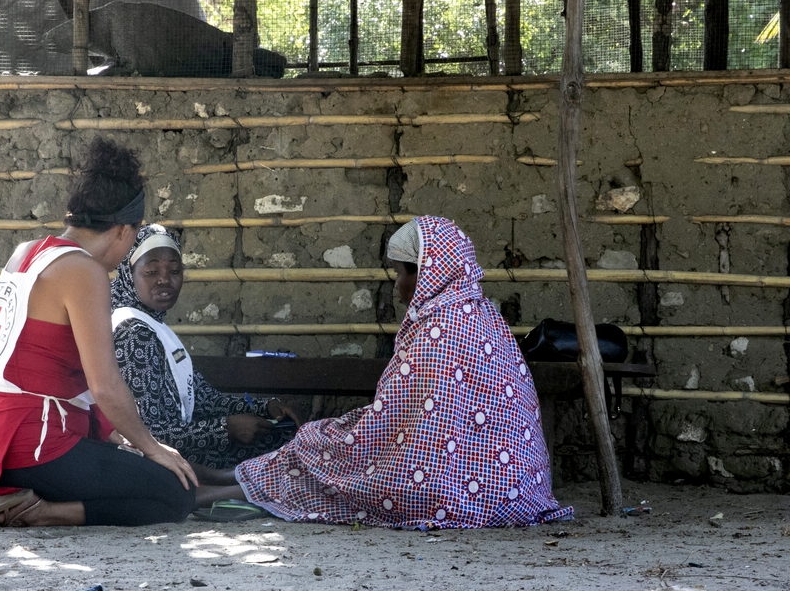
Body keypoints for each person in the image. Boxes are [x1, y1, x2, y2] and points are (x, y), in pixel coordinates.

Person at [207, 216, 572, 529]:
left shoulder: (440, 329)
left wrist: (339, 434)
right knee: (324, 443)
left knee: (323, 449)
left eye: (400, 273)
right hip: (517, 490)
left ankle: (211, 490)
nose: (396, 286)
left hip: (453, 489)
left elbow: (395, 425)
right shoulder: (485, 316)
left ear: (428, 274)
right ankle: (227, 480)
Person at [0, 137, 199, 529]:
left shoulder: (27, 251)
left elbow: (42, 367)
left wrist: (121, 441)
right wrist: (151, 447)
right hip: (38, 446)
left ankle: (30, 501)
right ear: (126, 232)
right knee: (176, 493)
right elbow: (106, 386)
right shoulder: (84, 270)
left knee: (148, 471)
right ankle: (39, 512)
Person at [111, 224, 302, 469]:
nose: (164, 280)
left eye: (175, 270)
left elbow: (204, 399)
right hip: (163, 462)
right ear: (129, 274)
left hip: (181, 451)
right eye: (151, 271)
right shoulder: (133, 334)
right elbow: (146, 434)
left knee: (293, 442)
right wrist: (225, 429)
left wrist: (266, 406)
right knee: (292, 453)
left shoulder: (153, 326)